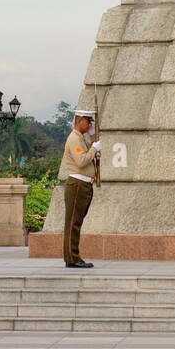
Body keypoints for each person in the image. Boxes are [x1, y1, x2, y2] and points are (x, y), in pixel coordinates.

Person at [62, 109, 101, 269]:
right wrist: (94, 149)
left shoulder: (80, 138)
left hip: (84, 184)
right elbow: (81, 161)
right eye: (88, 121)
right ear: (80, 121)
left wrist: (93, 142)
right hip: (77, 184)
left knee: (76, 221)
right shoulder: (74, 140)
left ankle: (73, 256)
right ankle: (72, 258)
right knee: (73, 223)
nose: (90, 124)